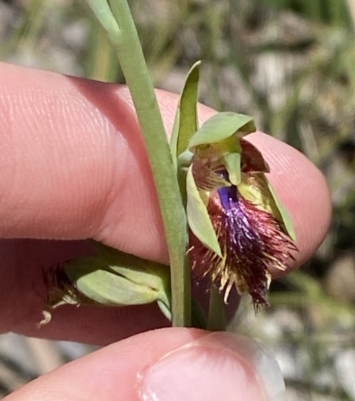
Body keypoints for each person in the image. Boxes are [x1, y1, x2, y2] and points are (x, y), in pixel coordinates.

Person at [0, 61, 331, 400]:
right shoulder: (198, 175)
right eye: (218, 162)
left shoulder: (230, 186)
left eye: (235, 163)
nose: (231, 173)